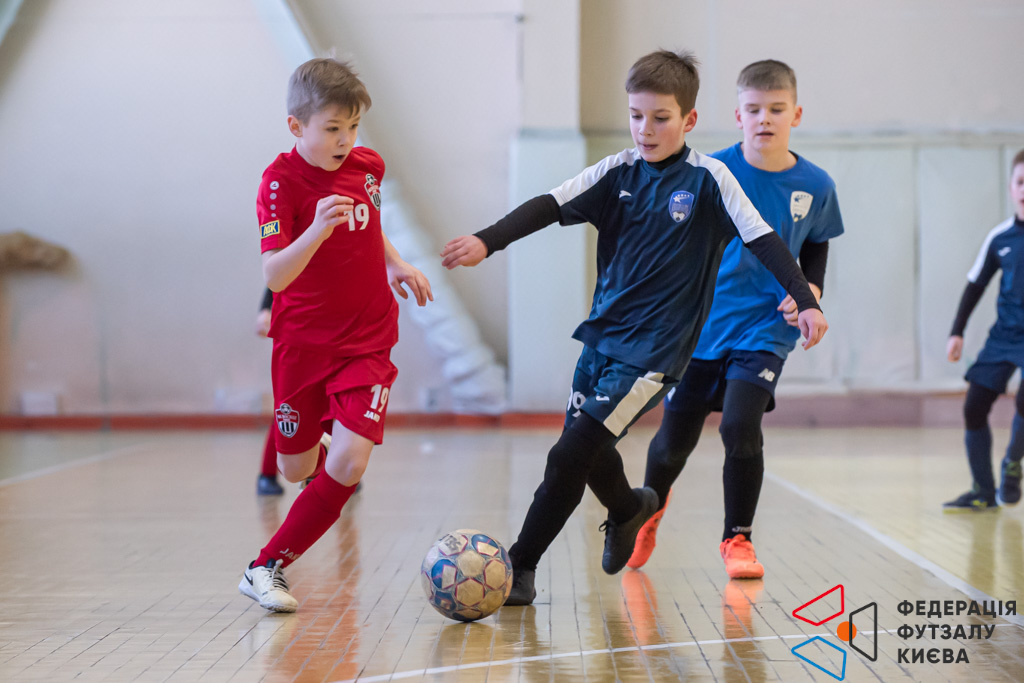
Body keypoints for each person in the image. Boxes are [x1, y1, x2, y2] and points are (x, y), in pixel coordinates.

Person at [440, 50, 828, 606]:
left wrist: (806, 300)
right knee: (586, 451)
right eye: (636, 115)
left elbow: (764, 239)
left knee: (567, 454)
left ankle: (520, 567)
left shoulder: (711, 180)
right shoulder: (616, 171)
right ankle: (629, 509)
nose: (645, 129)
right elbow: (549, 205)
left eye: (660, 118)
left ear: (689, 120)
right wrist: (487, 240)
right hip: (600, 342)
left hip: (654, 356)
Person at [627, 59, 844, 579]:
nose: (765, 118)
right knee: (672, 444)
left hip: (765, 329)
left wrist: (811, 291)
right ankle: (647, 514)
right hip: (700, 327)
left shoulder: (816, 184)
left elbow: (816, 244)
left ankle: (737, 539)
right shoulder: (709, 173)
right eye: (754, 109)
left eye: (776, 109)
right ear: (737, 115)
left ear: (796, 114)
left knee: (741, 426)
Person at [239, 57, 433, 613]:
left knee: (349, 464)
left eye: (352, 127)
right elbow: (275, 275)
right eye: (332, 128)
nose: (346, 140)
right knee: (295, 469)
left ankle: (265, 567)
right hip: (302, 345)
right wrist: (317, 230)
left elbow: (370, 224)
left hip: (368, 338)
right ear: (296, 126)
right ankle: (324, 442)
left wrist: (395, 262)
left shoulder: (368, 166)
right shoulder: (279, 184)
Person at [943, 149, 1024, 512]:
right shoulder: (1000, 238)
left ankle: (1013, 463)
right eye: (1020, 182)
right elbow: (975, 285)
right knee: (974, 407)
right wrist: (956, 331)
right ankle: (983, 491)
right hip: (1004, 336)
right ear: (1011, 188)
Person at [255, 288, 285, 496]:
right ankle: (267, 475)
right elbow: (277, 277)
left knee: (337, 406)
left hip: (336, 334)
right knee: (286, 409)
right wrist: (265, 308)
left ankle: (341, 471)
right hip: (297, 335)